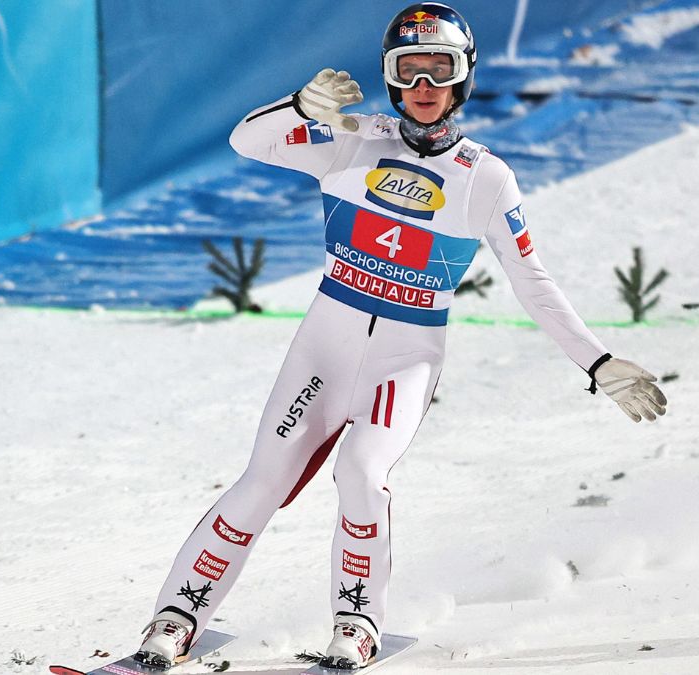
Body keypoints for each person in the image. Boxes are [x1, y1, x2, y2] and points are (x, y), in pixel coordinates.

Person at [134, 3, 667, 670]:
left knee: (362, 472)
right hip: (324, 349)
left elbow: (533, 282)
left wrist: (598, 361)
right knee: (262, 480)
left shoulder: (486, 177)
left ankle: (357, 625)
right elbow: (246, 142)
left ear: (463, 76)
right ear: (389, 77)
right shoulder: (352, 138)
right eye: (408, 70)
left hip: (405, 358)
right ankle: (176, 618)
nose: (423, 86)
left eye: (439, 69)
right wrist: (298, 107)